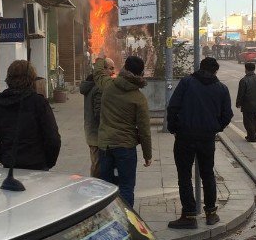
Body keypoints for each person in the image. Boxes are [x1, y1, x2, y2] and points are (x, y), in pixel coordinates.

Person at [166, 57, 233, 229]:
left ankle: (189, 216)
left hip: (185, 137)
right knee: (207, 174)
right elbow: (227, 115)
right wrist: (216, 128)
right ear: (215, 71)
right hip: (207, 139)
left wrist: (174, 128)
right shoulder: (222, 89)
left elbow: (173, 107)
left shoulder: (187, 83)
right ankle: (211, 213)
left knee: (184, 176)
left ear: (200, 68)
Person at [93, 55, 152, 208]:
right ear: (141, 74)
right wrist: (147, 155)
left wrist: (101, 59)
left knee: (106, 187)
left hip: (105, 146)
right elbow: (144, 129)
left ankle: (107, 218)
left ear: (124, 68)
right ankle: (126, 221)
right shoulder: (138, 98)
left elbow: (98, 73)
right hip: (126, 148)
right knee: (126, 187)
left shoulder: (108, 85)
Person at [0, 60, 61, 170]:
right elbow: (53, 138)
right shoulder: (38, 103)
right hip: (37, 167)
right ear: (31, 79)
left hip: (10, 168)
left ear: (8, 78)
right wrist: (48, 162)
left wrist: (5, 159)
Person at [79, 58, 115, 177]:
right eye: (111, 68)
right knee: (98, 165)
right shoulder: (99, 87)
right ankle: (96, 188)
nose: (113, 72)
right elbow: (99, 113)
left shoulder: (91, 83)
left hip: (91, 131)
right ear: (102, 70)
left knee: (96, 162)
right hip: (98, 133)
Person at [236, 62, 256, 142]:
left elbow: (241, 93)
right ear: (254, 69)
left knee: (247, 122)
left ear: (246, 69)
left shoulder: (244, 80)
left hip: (248, 105)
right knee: (254, 121)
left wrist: (238, 103)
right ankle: (250, 135)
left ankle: (252, 137)